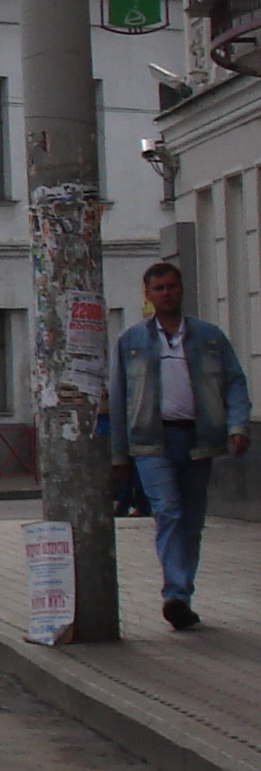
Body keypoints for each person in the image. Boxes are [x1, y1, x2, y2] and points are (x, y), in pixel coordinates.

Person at [107, 260, 250, 631]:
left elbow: (234, 382)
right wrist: (118, 455)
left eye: (171, 286)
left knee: (191, 520)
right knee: (168, 512)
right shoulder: (132, 341)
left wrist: (237, 425)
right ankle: (174, 594)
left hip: (198, 439)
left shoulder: (209, 337)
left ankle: (182, 596)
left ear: (181, 289)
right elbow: (119, 399)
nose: (166, 294)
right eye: (159, 289)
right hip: (151, 441)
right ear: (149, 294)